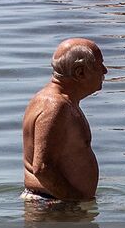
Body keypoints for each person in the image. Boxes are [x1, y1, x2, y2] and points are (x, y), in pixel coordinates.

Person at [21, 38, 107, 204]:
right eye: (99, 65)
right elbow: (42, 168)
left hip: (55, 203)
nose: (104, 71)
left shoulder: (60, 102)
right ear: (80, 72)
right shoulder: (55, 106)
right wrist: (75, 201)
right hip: (53, 206)